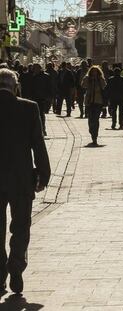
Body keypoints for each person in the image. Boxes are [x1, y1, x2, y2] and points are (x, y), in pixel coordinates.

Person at [0, 68, 51, 293]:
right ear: (15, 85)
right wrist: (44, 174)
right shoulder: (29, 108)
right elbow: (37, 144)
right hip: (21, 178)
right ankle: (16, 268)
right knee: (21, 225)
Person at [82, 66, 107, 146]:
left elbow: (104, 87)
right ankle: (92, 132)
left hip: (98, 102)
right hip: (89, 102)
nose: (94, 73)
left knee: (96, 119)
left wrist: (99, 79)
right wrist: (87, 78)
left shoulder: (100, 79)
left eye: (96, 71)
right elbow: (83, 85)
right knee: (90, 120)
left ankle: (94, 137)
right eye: (93, 71)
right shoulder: (88, 78)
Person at [31, 63, 52, 136]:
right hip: (34, 98)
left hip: (42, 98)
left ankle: (42, 129)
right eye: (34, 68)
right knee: (35, 115)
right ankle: (37, 129)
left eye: (36, 68)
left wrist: (49, 97)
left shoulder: (45, 76)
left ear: (40, 68)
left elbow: (49, 87)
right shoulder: (32, 76)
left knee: (41, 114)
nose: (34, 70)